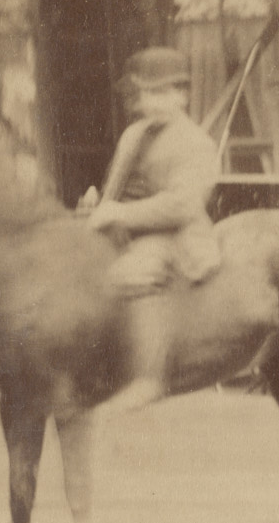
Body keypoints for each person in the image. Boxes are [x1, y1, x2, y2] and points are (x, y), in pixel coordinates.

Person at [85, 46, 223, 412]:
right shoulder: (134, 134)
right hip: (125, 229)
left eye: (163, 93)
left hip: (173, 235)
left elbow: (182, 205)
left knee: (135, 271)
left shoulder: (196, 143)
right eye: (146, 94)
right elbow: (119, 186)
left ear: (183, 95)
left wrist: (120, 215)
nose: (153, 102)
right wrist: (99, 205)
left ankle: (149, 376)